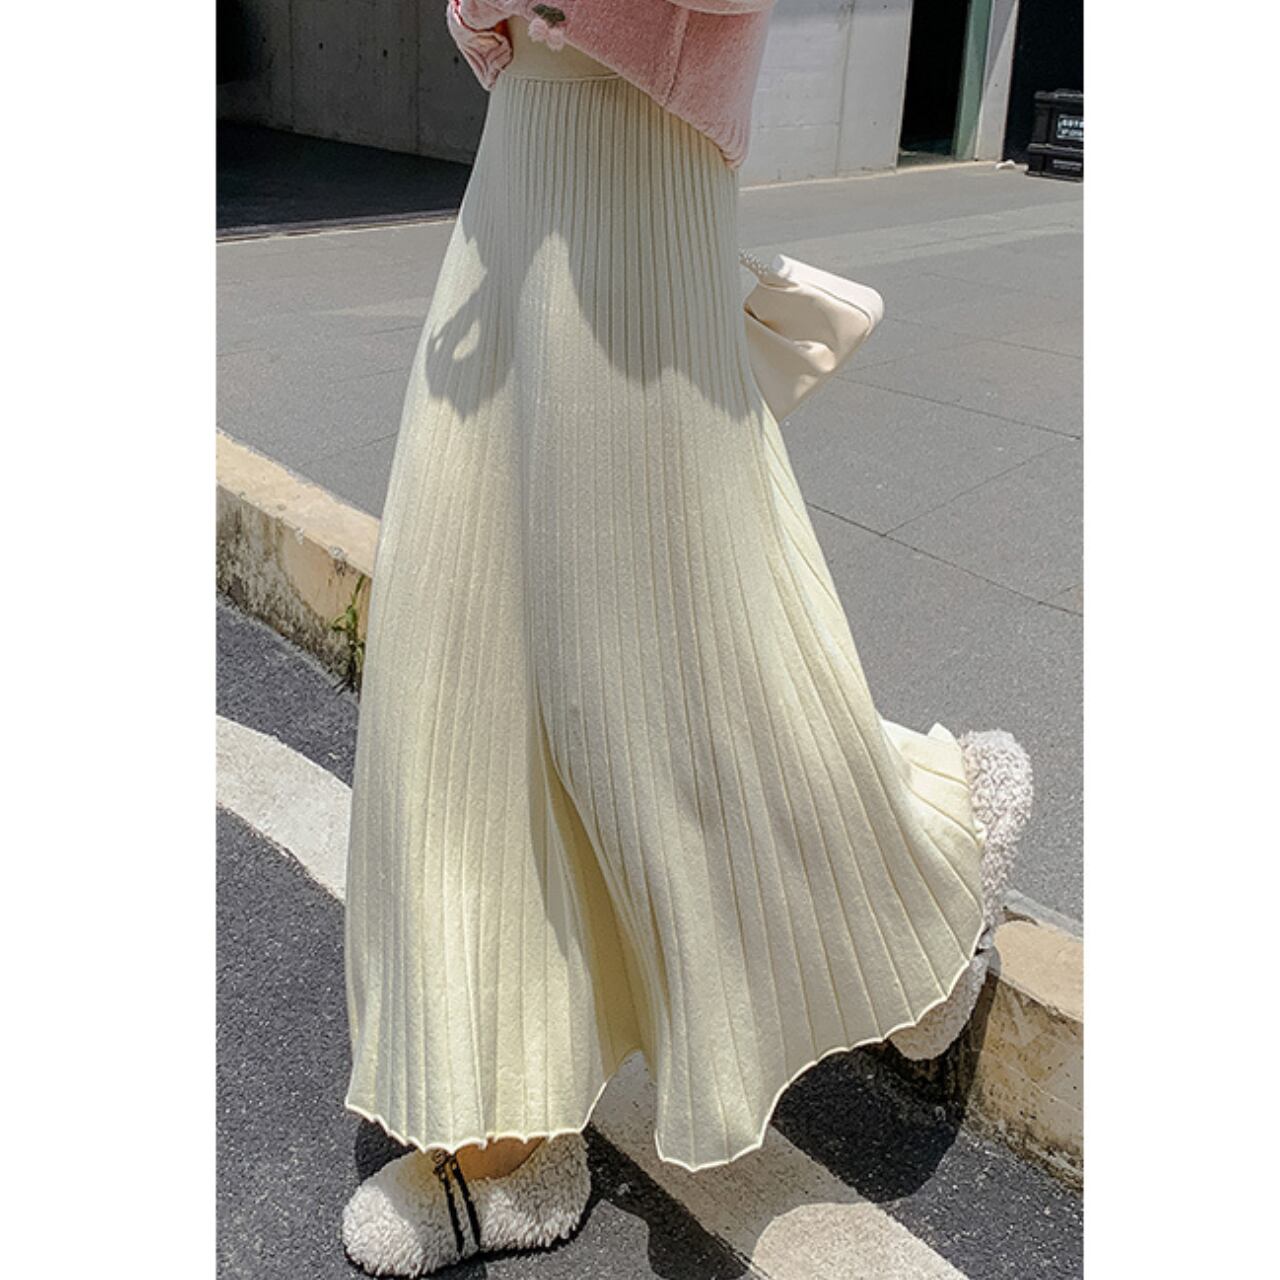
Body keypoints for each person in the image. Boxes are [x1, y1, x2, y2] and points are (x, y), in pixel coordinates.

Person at [339, 3, 1034, 1275]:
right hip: (526, 129)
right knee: (462, 624)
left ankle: (932, 858)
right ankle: (505, 1121)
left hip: (639, 139)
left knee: (645, 651)